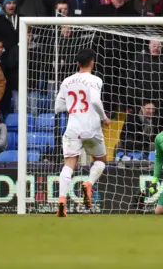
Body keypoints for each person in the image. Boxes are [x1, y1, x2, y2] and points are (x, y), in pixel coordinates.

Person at [54, 49, 111, 217]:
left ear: (77, 63)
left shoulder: (66, 81)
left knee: (68, 165)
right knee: (100, 160)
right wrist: (104, 117)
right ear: (92, 62)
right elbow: (94, 100)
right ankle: (89, 183)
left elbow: (58, 108)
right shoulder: (95, 80)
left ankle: (62, 199)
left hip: (73, 128)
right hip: (91, 127)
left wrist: (73, 104)